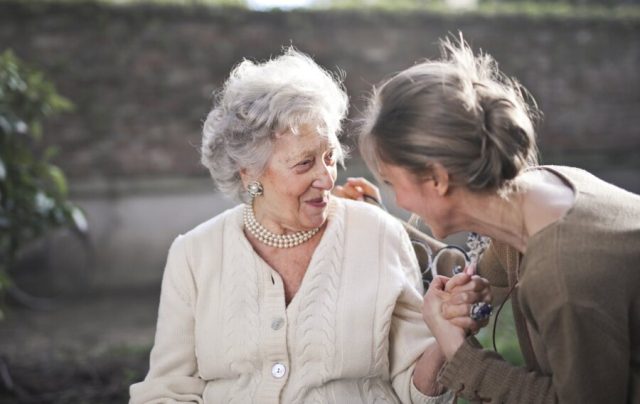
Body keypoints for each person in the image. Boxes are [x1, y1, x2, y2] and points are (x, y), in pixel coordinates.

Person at [129, 48, 490, 403]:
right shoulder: (194, 254)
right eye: (304, 164)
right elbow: (167, 390)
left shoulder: (378, 235)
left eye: (330, 157)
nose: (326, 178)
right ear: (249, 172)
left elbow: (413, 389)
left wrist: (446, 335)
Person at [358, 35, 640, 403]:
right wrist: (460, 299)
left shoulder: (562, 274)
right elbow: (483, 277)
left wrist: (462, 357)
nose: (399, 200)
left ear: (438, 179)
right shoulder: (541, 191)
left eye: (394, 183)